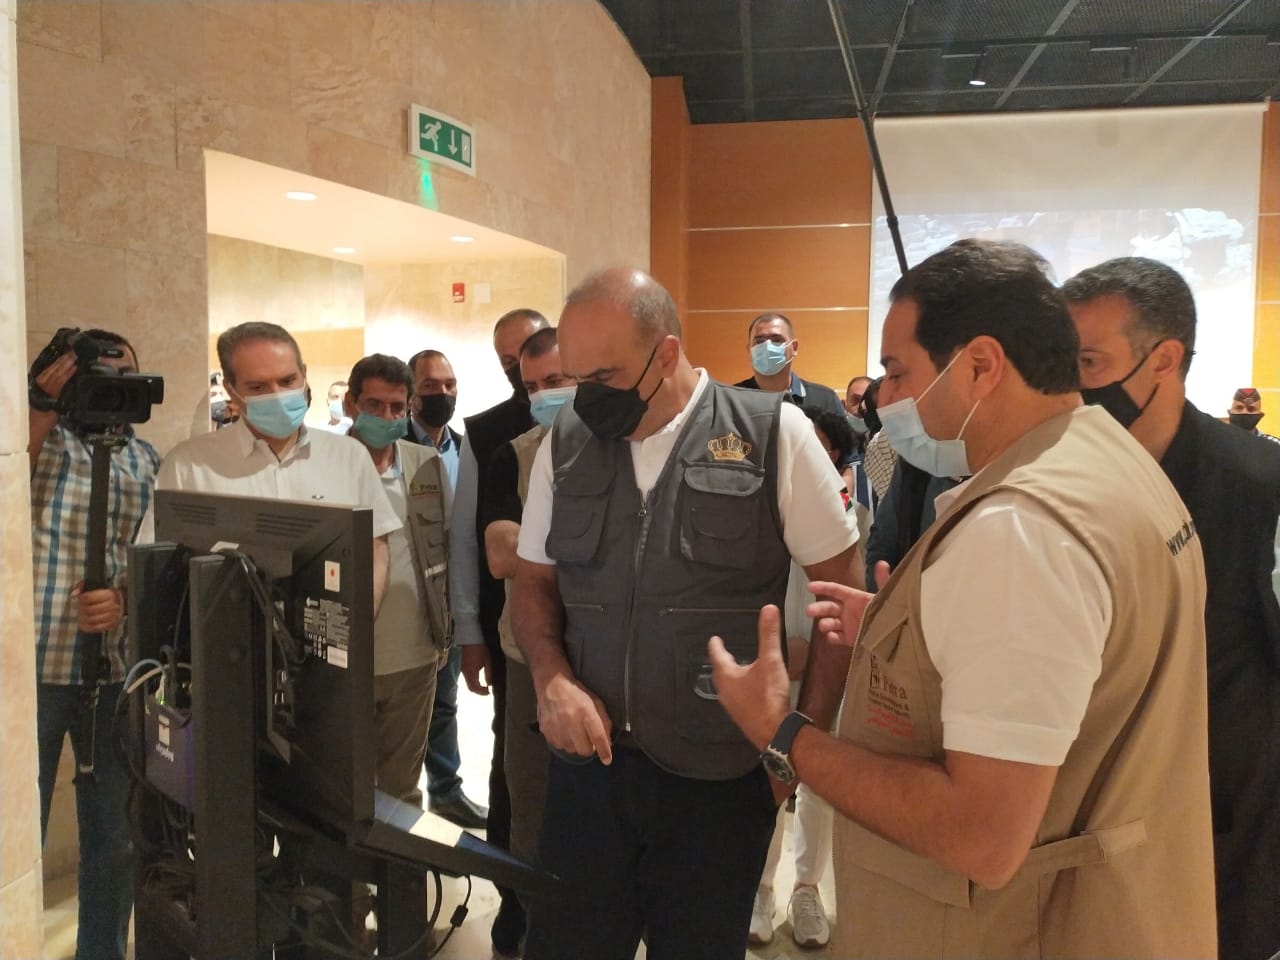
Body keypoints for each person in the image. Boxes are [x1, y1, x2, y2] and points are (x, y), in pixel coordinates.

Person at [710, 239, 1216, 958]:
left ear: (980, 365)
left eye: (897, 373)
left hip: (1015, 931)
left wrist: (782, 731)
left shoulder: (1020, 528)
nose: (885, 400)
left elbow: (980, 834)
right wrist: (907, 631)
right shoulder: (1110, 461)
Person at [511, 268, 862, 960]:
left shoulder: (773, 433)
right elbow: (533, 582)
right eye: (576, 378)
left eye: (603, 377)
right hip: (589, 773)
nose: (586, 398)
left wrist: (795, 750)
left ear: (666, 354)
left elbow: (840, 602)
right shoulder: (568, 440)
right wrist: (551, 677)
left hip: (718, 784)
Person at [1064, 257, 1280, 960]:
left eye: (1089, 362)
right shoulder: (1058, 479)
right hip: (1083, 820)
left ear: (1164, 359)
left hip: (1223, 832)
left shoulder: (1258, 486)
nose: (1072, 383)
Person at [30, 329, 162, 960]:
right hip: (31, 671)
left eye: (125, 375)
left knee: (115, 838)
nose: (113, 388)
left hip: (114, 673)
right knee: (13, 833)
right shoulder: (37, 444)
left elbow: (162, 555)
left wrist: (127, 601)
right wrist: (38, 406)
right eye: (99, 377)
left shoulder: (150, 461)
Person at [141, 322, 398, 609]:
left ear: (304, 375)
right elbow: (156, 560)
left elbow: (375, 545)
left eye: (288, 381)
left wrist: (361, 618)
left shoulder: (349, 457)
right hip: (224, 629)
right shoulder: (188, 465)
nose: (277, 395)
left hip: (327, 628)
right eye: (258, 387)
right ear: (231, 391)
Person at [450, 307, 551, 956]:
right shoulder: (490, 434)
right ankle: (513, 905)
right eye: (512, 364)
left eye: (538, 366)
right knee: (516, 777)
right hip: (510, 632)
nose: (525, 377)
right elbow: (476, 544)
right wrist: (471, 631)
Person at [479, 327, 575, 922]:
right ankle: (535, 924)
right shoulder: (513, 455)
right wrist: (595, 550)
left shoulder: (631, 447)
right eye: (532, 385)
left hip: (612, 657)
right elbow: (499, 552)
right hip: (528, 659)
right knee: (532, 803)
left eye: (556, 381)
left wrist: (538, 547)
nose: (543, 396)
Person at [342, 353, 452, 805]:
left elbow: (446, 547)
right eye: (373, 405)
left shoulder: (426, 465)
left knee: (402, 788)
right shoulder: (327, 464)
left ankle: (399, 856)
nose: (386, 417)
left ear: (409, 408)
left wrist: (445, 633)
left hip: (415, 657)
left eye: (396, 407)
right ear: (350, 404)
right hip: (345, 661)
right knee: (344, 786)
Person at [403, 347, 481, 833]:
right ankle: (397, 799)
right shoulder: (394, 449)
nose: (443, 394)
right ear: (412, 394)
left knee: (445, 701)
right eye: (431, 386)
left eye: (449, 385)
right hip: (406, 599)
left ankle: (446, 792)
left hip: (452, 599)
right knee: (406, 708)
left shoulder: (466, 448)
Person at [734, 312, 846, 419]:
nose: (767, 346)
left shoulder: (825, 399)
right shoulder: (732, 400)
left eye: (777, 340)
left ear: (794, 348)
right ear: (750, 351)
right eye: (759, 342)